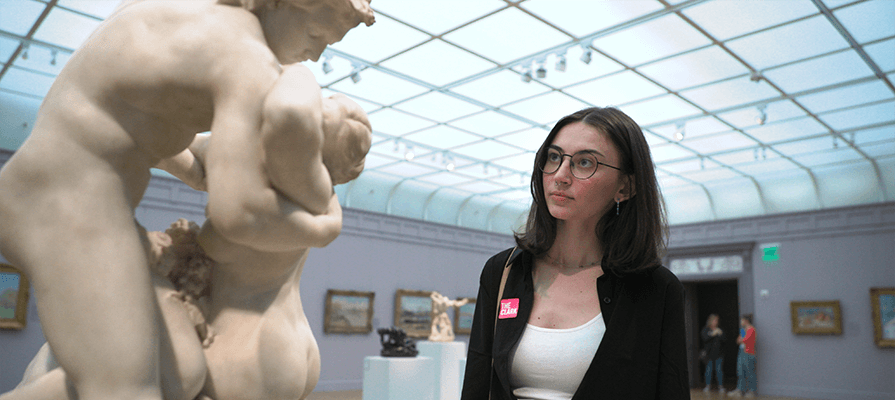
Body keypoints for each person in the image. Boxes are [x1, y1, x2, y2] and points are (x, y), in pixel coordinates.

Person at [0, 0, 374, 398]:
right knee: (129, 391)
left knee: (182, 372)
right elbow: (236, 216)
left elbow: (131, 126)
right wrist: (324, 228)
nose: (316, 55)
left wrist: (206, 168)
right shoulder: (248, 59)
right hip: (68, 203)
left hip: (72, 191)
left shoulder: (183, 10)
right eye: (316, 34)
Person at [460, 107, 689, 400]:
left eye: (584, 162)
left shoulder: (657, 289)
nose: (560, 175)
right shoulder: (503, 271)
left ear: (626, 187)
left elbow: (672, 391)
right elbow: (477, 384)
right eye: (554, 157)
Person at [729, 316, 757, 398]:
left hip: (749, 352)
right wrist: (742, 338)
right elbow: (738, 340)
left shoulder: (751, 329)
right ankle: (740, 390)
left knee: (750, 372)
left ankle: (752, 391)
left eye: (742, 320)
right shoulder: (743, 330)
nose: (741, 321)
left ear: (746, 321)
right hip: (742, 352)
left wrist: (742, 338)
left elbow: (744, 340)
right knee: (740, 371)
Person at [701, 314, 726, 393]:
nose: (716, 322)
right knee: (708, 371)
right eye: (714, 320)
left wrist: (720, 334)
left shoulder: (719, 330)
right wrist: (713, 334)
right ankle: (707, 386)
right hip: (709, 355)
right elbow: (705, 338)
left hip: (719, 354)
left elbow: (724, 340)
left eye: (717, 320)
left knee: (719, 371)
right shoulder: (706, 329)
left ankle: (721, 387)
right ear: (710, 321)